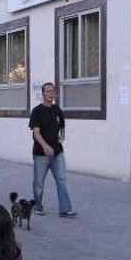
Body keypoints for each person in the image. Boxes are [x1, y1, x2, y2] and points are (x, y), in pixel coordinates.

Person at [29, 82, 76, 218]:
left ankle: (65, 209)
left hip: (57, 152)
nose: (50, 94)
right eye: (48, 91)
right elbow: (36, 133)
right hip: (41, 154)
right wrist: (45, 146)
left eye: (52, 91)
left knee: (61, 179)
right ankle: (38, 206)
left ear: (55, 93)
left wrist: (62, 137)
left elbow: (62, 126)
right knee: (39, 182)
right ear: (43, 94)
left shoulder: (57, 110)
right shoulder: (37, 111)